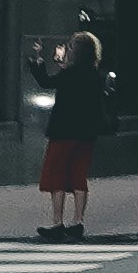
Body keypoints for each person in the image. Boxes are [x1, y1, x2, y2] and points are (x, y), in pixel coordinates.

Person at [39, 17, 108, 234]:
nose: (67, 49)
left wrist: (39, 61)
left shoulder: (68, 73)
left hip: (64, 131)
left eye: (70, 46)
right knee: (79, 175)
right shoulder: (96, 76)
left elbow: (46, 83)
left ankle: (57, 223)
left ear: (76, 52)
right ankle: (78, 221)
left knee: (57, 175)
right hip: (86, 133)